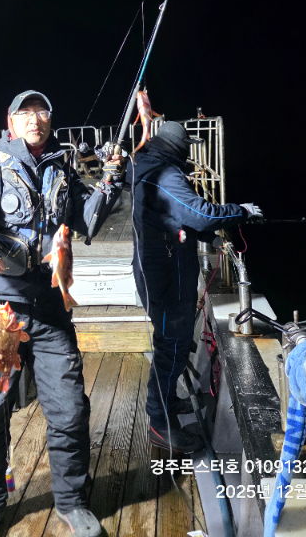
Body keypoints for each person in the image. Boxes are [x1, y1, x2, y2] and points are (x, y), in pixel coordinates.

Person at [0, 90, 125, 537]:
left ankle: (72, 501)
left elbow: (87, 220)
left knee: (70, 409)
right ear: (10, 122)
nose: (34, 119)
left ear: (50, 120)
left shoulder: (62, 170)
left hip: (49, 307)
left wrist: (110, 180)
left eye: (41, 111)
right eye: (24, 113)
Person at [127, 120, 262, 453]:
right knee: (171, 348)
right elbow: (199, 213)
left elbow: (171, 215)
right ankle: (160, 425)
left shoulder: (145, 165)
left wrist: (208, 236)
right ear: (178, 148)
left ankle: (168, 402)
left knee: (169, 344)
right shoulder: (165, 174)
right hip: (166, 276)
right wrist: (241, 212)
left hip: (158, 269)